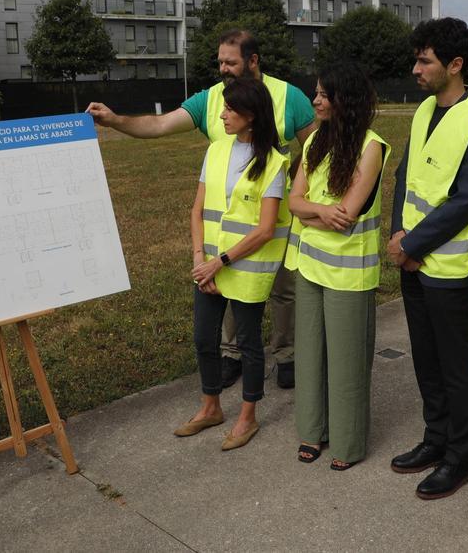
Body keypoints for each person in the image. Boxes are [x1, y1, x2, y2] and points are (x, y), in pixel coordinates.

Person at [87, 29, 315, 390]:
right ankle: (232, 354)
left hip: (274, 215)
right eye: (220, 61)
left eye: (231, 62)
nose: (223, 68)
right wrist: (116, 120)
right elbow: (160, 124)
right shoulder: (210, 100)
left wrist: (298, 185)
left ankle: (285, 354)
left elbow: (317, 148)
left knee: (282, 289)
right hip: (223, 219)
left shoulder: (290, 96)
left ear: (253, 61)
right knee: (224, 284)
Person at [387, 17, 468, 500]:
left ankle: (459, 457)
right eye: (417, 58)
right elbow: (404, 177)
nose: (416, 68)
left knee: (454, 366)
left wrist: (411, 246)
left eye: (425, 60)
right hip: (412, 260)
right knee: (425, 360)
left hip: (448, 270)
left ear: (455, 65)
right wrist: (398, 233)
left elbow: (465, 200)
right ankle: (434, 439)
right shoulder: (424, 111)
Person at [174, 77, 291, 451]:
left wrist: (219, 263)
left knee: (248, 342)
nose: (222, 115)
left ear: (252, 116)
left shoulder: (274, 162)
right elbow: (197, 209)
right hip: (208, 266)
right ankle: (211, 407)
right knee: (203, 338)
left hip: (244, 269)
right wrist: (200, 260)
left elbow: (266, 229)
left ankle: (247, 416)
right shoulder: (216, 151)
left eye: (229, 109)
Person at [287, 62, 388, 471]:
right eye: (316, 94)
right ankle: (312, 432)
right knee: (310, 353)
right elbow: (294, 203)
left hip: (349, 271)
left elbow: (346, 214)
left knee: (346, 360)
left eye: (322, 95)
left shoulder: (371, 146)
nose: (315, 101)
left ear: (344, 100)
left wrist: (315, 212)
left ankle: (347, 444)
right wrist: (319, 211)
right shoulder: (313, 144)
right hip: (310, 263)